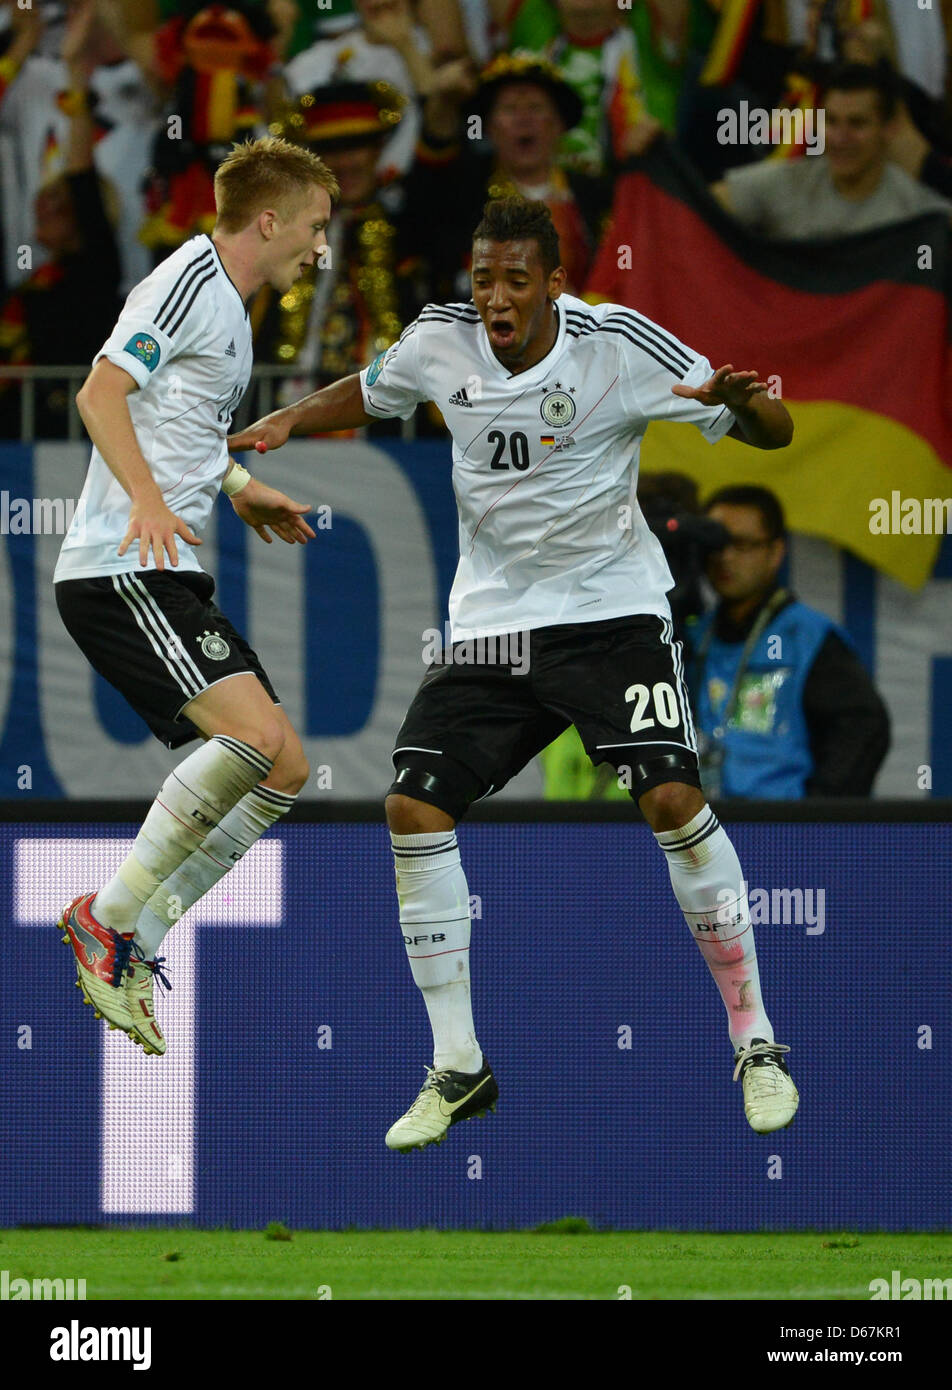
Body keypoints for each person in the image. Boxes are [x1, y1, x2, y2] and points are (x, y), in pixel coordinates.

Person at [229, 194, 801, 1143]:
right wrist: (288, 421)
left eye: (515, 281)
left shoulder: (617, 344)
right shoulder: (439, 339)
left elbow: (771, 431)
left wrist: (749, 406)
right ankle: (458, 1065)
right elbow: (373, 390)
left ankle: (755, 1040)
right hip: (493, 628)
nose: (494, 297)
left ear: (553, 285)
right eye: (482, 277)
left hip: (611, 613)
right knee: (413, 806)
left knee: (670, 801)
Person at [53, 134, 338, 1056]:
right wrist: (142, 497)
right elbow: (101, 396)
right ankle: (111, 916)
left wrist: (240, 490)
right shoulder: (185, 281)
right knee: (253, 740)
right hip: (121, 568)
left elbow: (176, 427)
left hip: (161, 568)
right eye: (314, 227)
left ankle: (136, 937)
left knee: (284, 767)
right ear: (268, 219)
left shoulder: (229, 307)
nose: (321, 248)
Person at [690, 484, 891, 799]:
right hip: (701, 830)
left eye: (741, 544)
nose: (725, 557)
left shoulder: (808, 637)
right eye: (716, 543)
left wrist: (815, 817)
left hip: (781, 832)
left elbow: (863, 730)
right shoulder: (691, 636)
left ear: (775, 552)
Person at [711, 63, 951, 239]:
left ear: (889, 129)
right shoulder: (791, 182)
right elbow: (703, 205)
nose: (840, 138)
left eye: (857, 123)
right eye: (831, 122)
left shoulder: (920, 214)